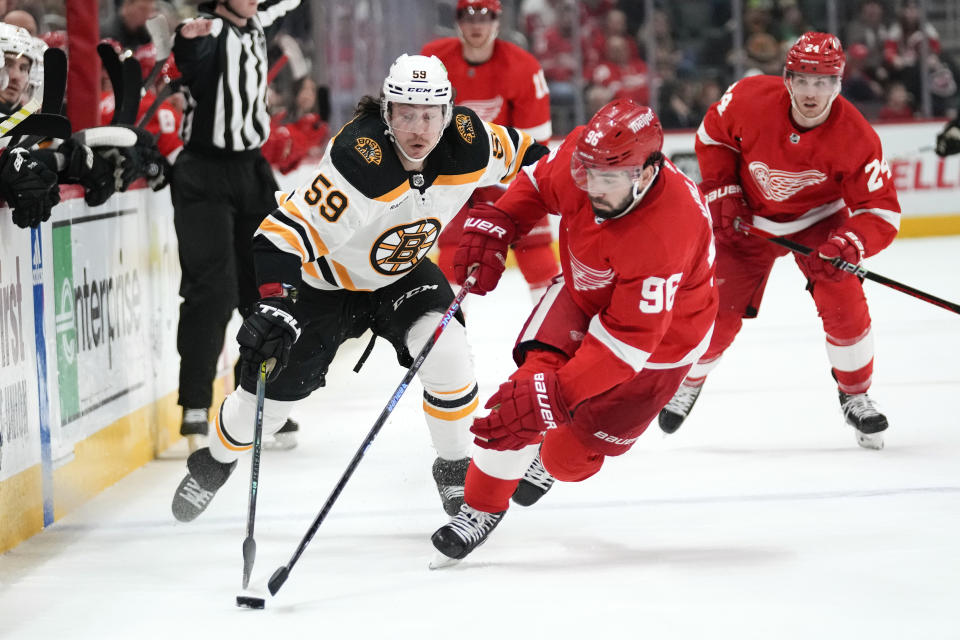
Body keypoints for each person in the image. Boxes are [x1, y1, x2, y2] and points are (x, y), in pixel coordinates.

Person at [170, 53, 549, 524]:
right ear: (386, 114)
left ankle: (453, 467)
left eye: (430, 114)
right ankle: (215, 460)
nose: (419, 128)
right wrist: (277, 305)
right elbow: (279, 235)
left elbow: (538, 160)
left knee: (446, 350)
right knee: (267, 400)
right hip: (325, 284)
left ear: (448, 113)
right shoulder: (359, 160)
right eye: (406, 114)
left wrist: (571, 197)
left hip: (402, 275)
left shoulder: (469, 143)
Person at [430, 99, 718, 564]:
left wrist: (558, 395)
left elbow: (627, 345)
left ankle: (551, 460)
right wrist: (500, 220)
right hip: (584, 293)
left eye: (609, 180)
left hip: (661, 342)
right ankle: (479, 507)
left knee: (568, 453)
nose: (592, 188)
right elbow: (536, 185)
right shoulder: (589, 158)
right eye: (588, 175)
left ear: (645, 174)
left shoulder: (667, 232)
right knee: (520, 398)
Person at [657, 33, 902, 450]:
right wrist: (723, 190)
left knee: (844, 302)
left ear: (839, 83)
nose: (812, 92)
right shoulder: (750, 97)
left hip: (819, 223)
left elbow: (879, 211)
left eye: (823, 81)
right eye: (803, 80)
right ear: (786, 78)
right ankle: (690, 379)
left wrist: (847, 244)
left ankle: (856, 396)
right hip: (747, 221)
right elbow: (712, 137)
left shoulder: (857, 137)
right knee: (715, 313)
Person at [169, 0, 301, 453]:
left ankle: (261, 400)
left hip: (251, 172)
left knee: (264, 289)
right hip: (203, 175)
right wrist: (187, 44)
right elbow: (192, 58)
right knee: (212, 289)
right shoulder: (204, 31)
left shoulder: (255, 23)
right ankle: (194, 405)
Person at [421, 0, 560, 299]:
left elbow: (535, 146)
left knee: (535, 251)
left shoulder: (523, 67)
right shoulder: (432, 62)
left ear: (497, 21)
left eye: (484, 17)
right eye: (468, 17)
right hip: (452, 173)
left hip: (506, 174)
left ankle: (554, 336)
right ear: (457, 21)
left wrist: (513, 190)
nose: (476, 26)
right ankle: (447, 341)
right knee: (452, 255)